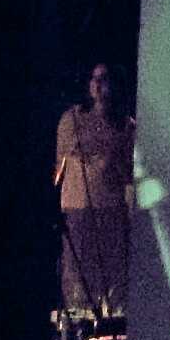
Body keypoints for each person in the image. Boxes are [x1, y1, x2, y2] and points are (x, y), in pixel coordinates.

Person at [56, 62, 136, 319]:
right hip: (77, 208)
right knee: (78, 274)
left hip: (110, 210)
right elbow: (61, 163)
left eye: (105, 78)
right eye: (94, 78)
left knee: (110, 276)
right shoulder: (72, 119)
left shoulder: (126, 126)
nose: (99, 85)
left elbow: (128, 173)